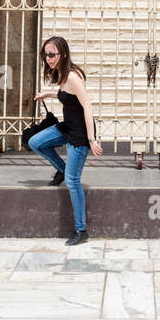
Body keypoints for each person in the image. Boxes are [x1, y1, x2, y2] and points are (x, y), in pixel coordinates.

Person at [28, 36, 103, 246]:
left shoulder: (72, 77)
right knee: (35, 142)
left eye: (51, 54)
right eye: (45, 55)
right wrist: (50, 94)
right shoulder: (62, 75)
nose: (48, 59)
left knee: (73, 181)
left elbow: (87, 106)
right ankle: (61, 169)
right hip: (66, 127)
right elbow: (67, 96)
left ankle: (81, 230)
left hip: (79, 135)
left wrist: (91, 139)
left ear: (63, 54)